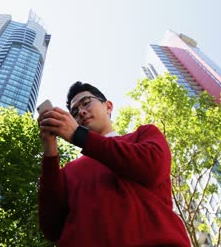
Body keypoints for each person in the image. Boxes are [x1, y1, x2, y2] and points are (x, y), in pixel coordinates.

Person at [37, 81, 191, 246]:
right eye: (74, 112)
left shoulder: (142, 135)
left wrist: (80, 136)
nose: (81, 112)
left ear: (108, 106)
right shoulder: (67, 171)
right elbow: (51, 228)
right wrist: (50, 149)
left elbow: (153, 166)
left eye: (86, 103)